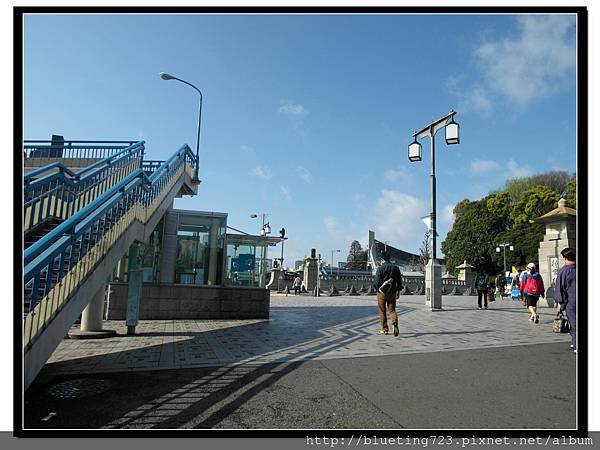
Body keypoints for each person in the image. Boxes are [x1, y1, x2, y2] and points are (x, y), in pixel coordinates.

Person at [373, 251, 403, 336]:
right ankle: (395, 324)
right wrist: (398, 291)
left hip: (381, 293)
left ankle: (384, 329)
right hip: (392, 292)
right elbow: (399, 282)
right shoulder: (396, 268)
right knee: (392, 310)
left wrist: (377, 289)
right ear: (389, 259)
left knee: (382, 311)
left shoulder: (380, 268)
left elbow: (376, 282)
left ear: (382, 259)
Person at [554, 248, 576, 353]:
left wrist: (560, 304)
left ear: (565, 258)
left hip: (570, 302)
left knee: (574, 323)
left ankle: (576, 343)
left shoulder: (563, 271)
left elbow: (560, 289)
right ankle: (574, 342)